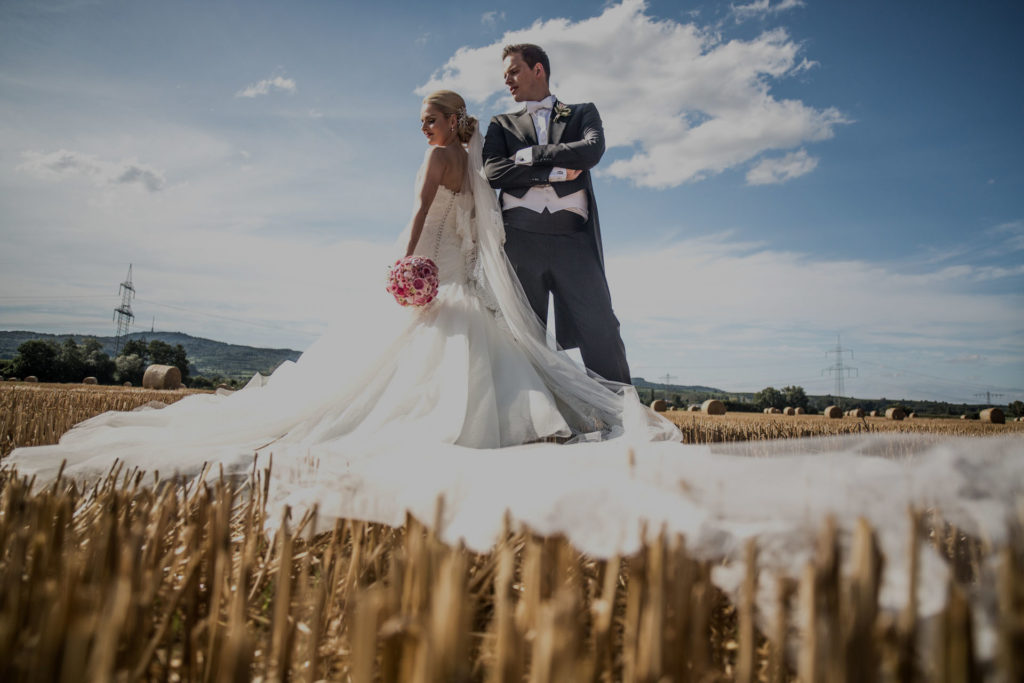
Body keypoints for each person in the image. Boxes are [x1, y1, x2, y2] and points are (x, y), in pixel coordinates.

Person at [483, 43, 631, 384]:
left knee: (602, 328)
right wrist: (553, 172)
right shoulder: (501, 124)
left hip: (574, 242)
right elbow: (493, 172)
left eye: (513, 71)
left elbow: (591, 150)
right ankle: (527, 420)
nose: (507, 80)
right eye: (504, 75)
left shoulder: (582, 113)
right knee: (520, 335)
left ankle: (622, 417)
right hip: (520, 240)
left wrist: (532, 154)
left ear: (538, 70)